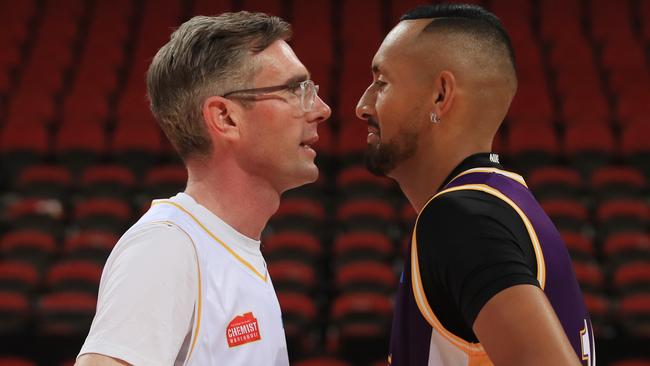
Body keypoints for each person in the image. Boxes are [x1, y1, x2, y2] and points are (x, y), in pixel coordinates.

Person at [76, 11, 330, 366]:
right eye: (295, 89)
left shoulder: (224, 245)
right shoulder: (167, 247)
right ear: (225, 117)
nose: (321, 109)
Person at [355, 4, 594, 366]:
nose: (362, 105)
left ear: (440, 95)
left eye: (381, 82)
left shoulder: (460, 219)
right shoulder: (506, 199)